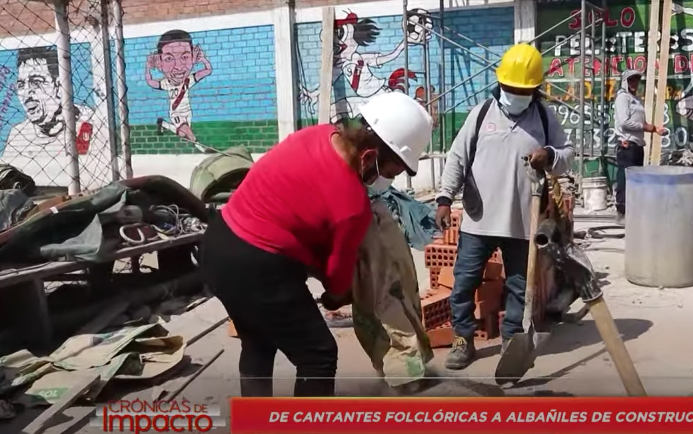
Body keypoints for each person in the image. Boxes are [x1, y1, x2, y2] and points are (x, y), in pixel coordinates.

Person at [200, 92, 432, 397]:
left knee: (258, 340)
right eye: (390, 173)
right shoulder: (352, 204)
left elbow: (301, 209)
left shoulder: (318, 134)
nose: (388, 181)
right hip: (258, 265)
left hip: (217, 245)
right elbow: (335, 279)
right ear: (369, 156)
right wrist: (340, 296)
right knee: (319, 355)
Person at [435, 43, 575, 370]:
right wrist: (444, 198)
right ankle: (463, 339)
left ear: (535, 89)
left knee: (518, 286)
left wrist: (550, 156)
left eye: (523, 90)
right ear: (500, 83)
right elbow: (458, 158)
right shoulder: (481, 113)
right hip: (478, 221)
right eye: (511, 88)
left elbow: (567, 155)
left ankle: (512, 340)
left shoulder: (543, 116)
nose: (515, 94)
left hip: (522, 222)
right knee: (465, 282)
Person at [613, 69, 665, 224]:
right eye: (631, 80)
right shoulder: (623, 98)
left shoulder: (635, 99)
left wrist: (655, 129)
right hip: (627, 144)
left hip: (637, 144)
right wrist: (645, 127)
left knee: (635, 180)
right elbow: (624, 122)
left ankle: (633, 211)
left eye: (636, 80)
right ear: (625, 81)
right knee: (625, 179)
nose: (634, 83)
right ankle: (621, 212)